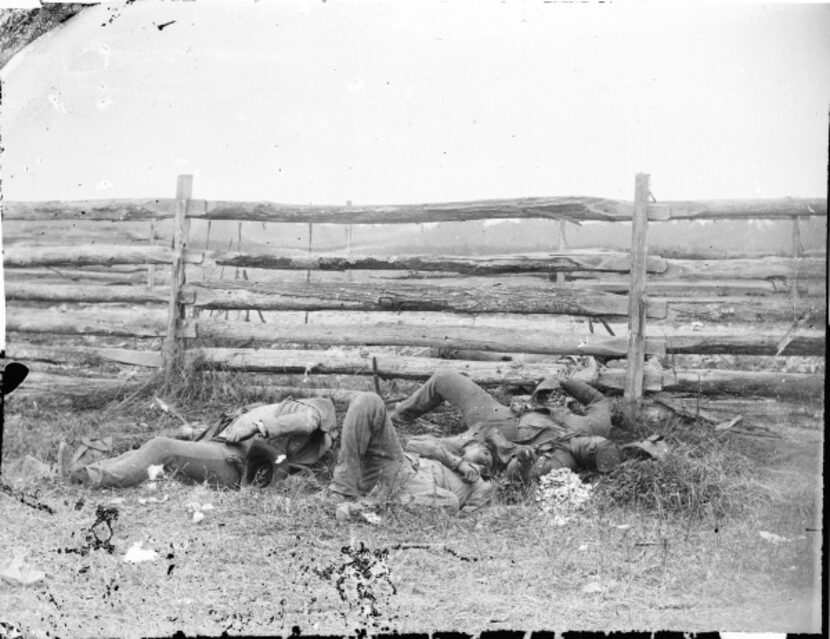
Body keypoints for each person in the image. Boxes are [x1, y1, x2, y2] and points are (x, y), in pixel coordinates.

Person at [389, 367, 623, 481]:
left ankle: (384, 437)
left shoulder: (560, 463)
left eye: (591, 454)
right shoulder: (595, 426)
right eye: (597, 443)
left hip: (491, 432)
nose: (590, 445)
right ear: (601, 438)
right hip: (501, 412)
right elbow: (598, 399)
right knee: (444, 378)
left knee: (423, 446)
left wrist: (522, 462)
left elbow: (517, 477)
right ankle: (397, 419)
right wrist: (563, 380)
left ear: (587, 462)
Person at [61, 396, 337, 489]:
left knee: (161, 448)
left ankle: (94, 477)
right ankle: (81, 473)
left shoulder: (319, 407)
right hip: (220, 447)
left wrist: (260, 425)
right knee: (143, 450)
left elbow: (309, 421)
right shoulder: (278, 404)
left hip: (237, 462)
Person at [327, 392, 494, 512]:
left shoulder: (483, 485)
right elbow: (413, 444)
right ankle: (341, 490)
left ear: (487, 470)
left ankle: (363, 508)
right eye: (481, 447)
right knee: (369, 400)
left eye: (488, 456)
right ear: (466, 449)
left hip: (415, 492)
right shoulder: (450, 453)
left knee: (451, 502)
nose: (484, 451)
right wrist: (457, 463)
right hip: (397, 468)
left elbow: (471, 514)